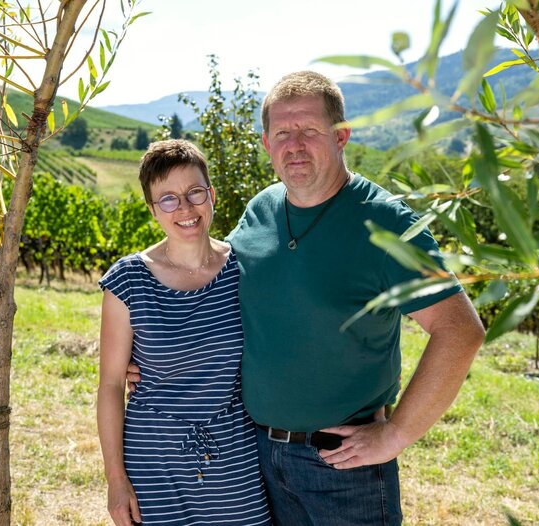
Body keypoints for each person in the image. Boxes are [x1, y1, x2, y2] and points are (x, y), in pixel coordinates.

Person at [129, 71, 485, 525]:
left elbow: (460, 331)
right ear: (266, 144)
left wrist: (394, 434)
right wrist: (152, 355)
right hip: (252, 458)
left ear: (342, 136)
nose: (294, 144)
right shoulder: (260, 212)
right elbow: (212, 294)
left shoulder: (386, 224)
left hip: (342, 466)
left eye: (310, 130)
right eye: (282, 133)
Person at [97, 139, 272, 526]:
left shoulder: (244, 269)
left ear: (211, 195)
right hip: (152, 458)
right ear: (152, 209)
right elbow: (110, 385)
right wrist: (115, 479)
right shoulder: (128, 280)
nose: (186, 208)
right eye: (169, 199)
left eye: (194, 192)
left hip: (234, 452)